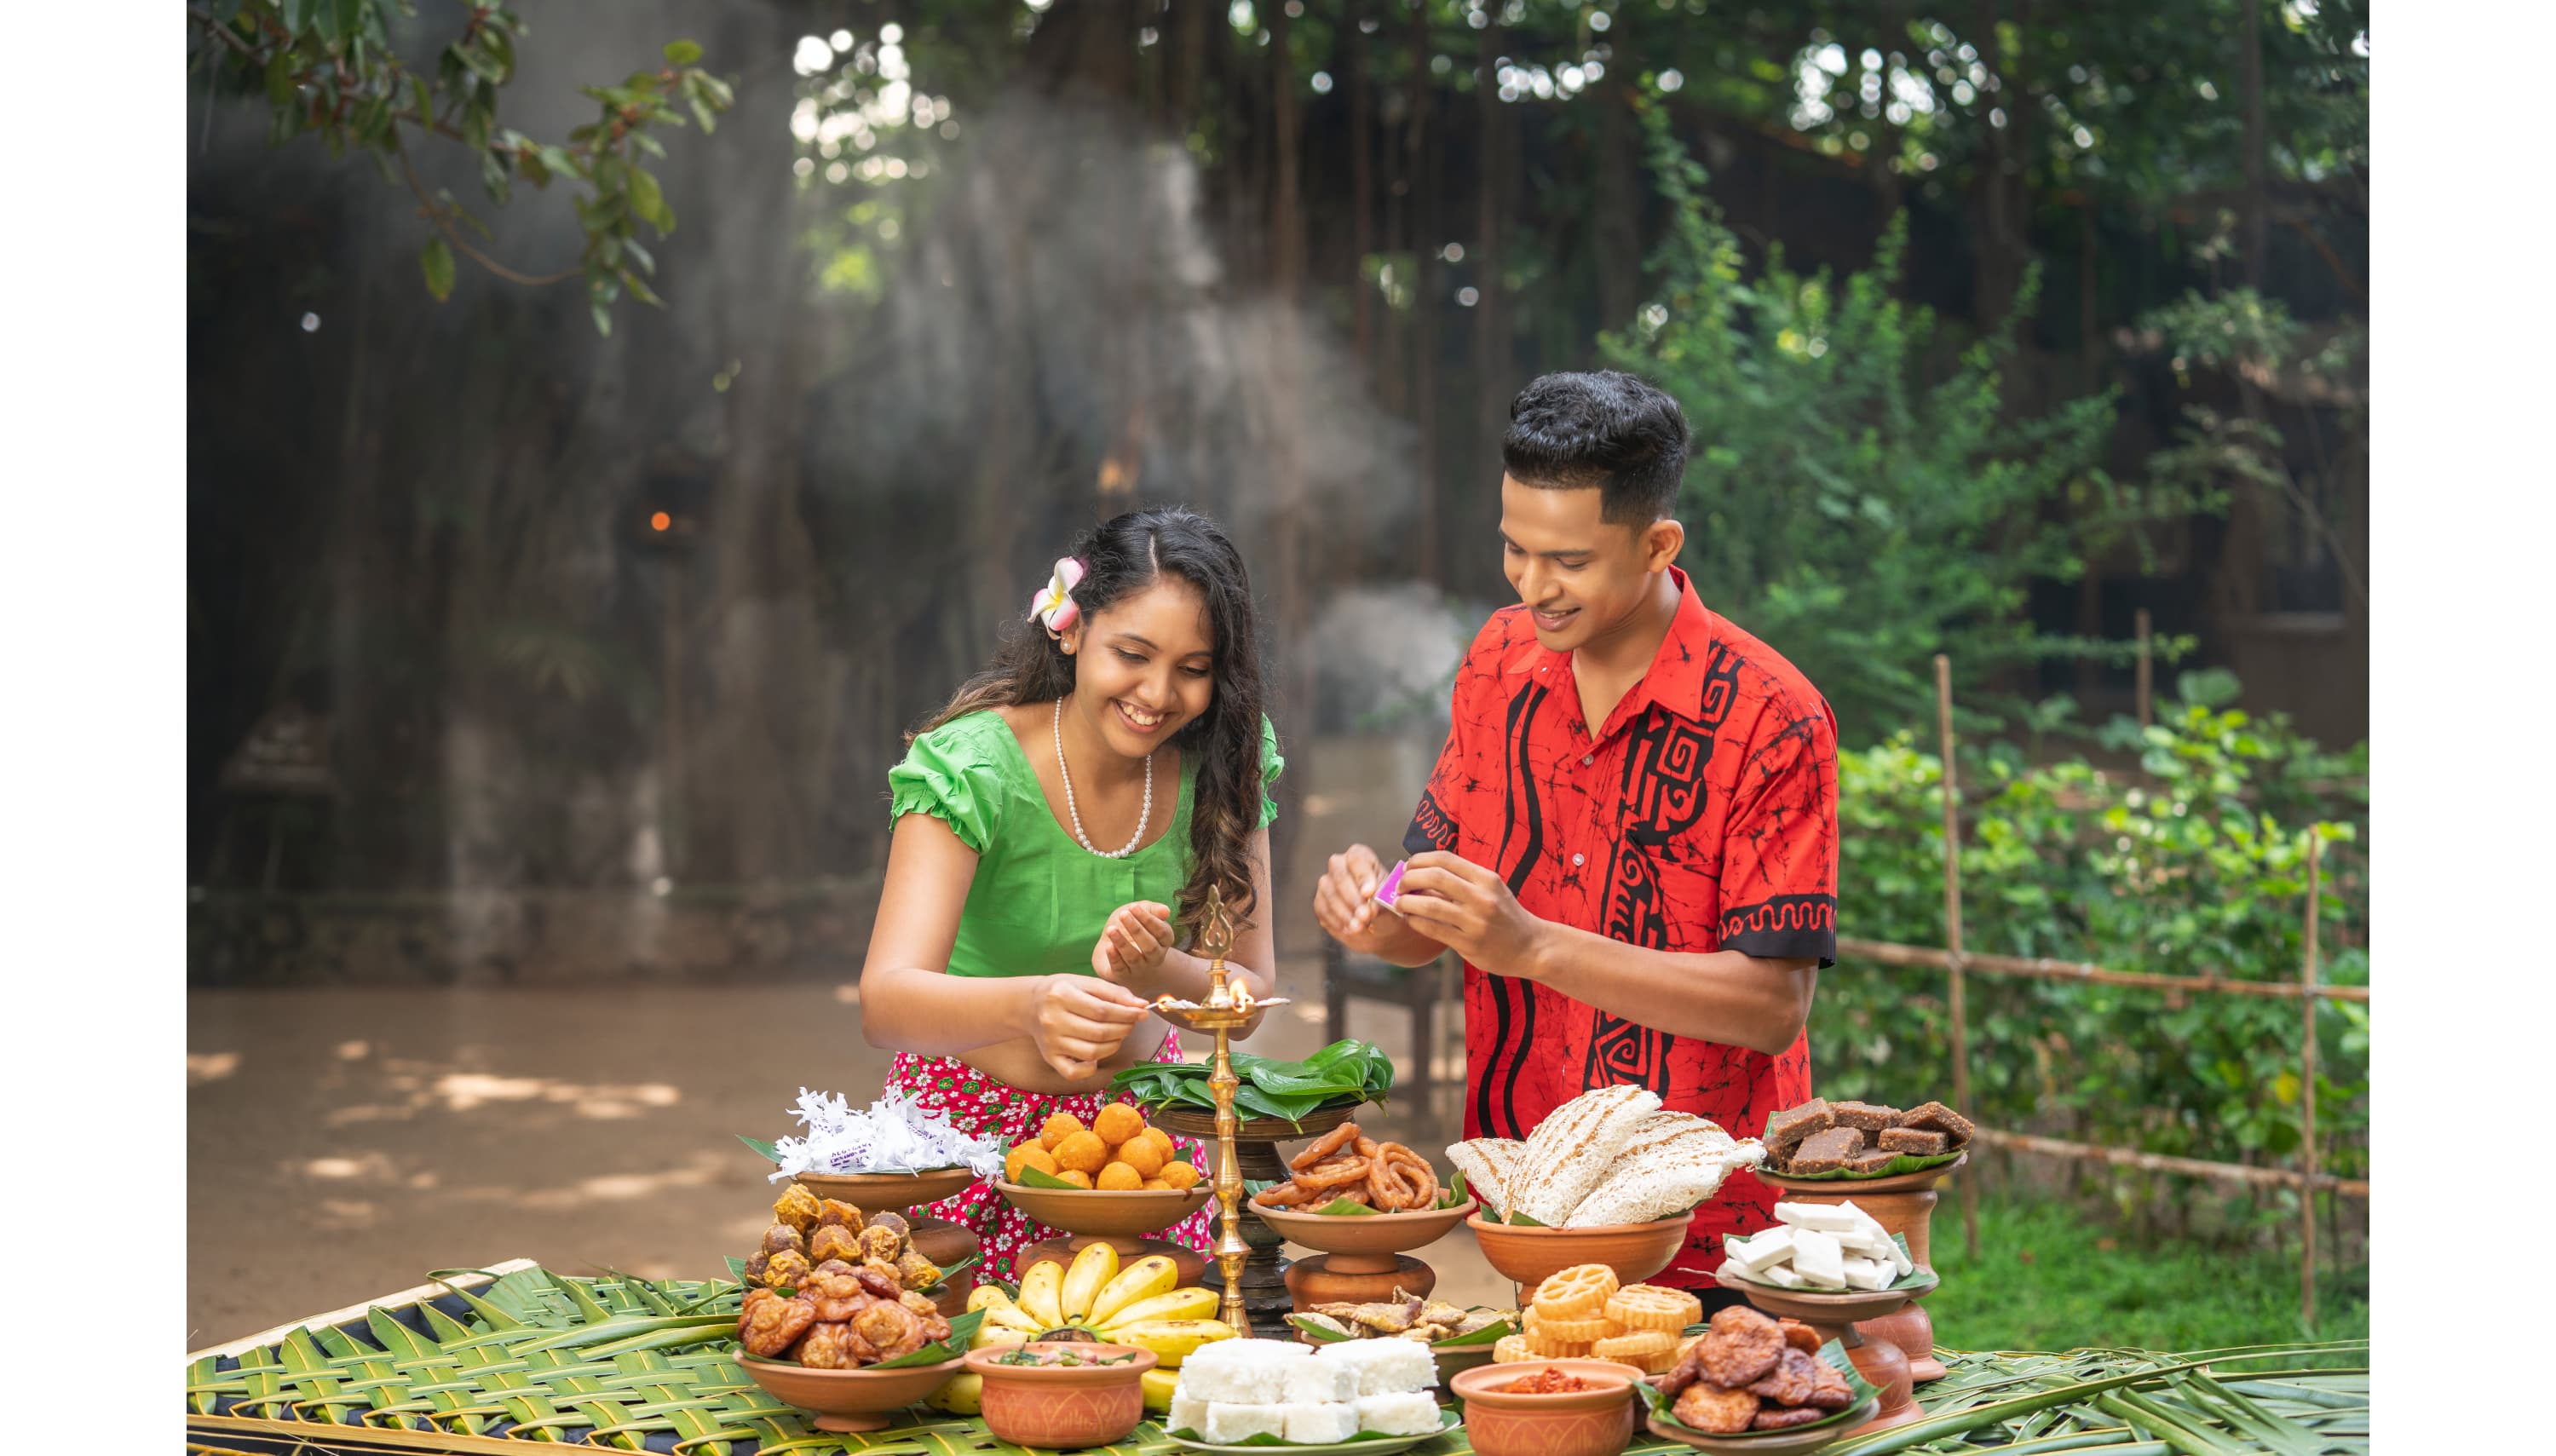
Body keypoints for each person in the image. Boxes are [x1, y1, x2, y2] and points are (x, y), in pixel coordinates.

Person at [1311, 371, 1839, 1296]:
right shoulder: (1498, 659)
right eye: (1515, 548)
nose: (1531, 583)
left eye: (1569, 560)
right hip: (1534, 1213)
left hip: (1717, 1236)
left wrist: (1536, 946)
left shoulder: (1772, 716)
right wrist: (1376, 912)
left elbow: (1772, 1006)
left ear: (1657, 543)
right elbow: (1430, 901)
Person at [861, 506, 1285, 1281]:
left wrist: (1160, 969)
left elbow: (1250, 997)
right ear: (1071, 627)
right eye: (1133, 653)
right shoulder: (970, 765)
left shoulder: (1226, 761)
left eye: (1194, 668)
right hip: (963, 1143)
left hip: (1145, 1153)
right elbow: (885, 1001)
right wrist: (1032, 1003)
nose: (1158, 693)